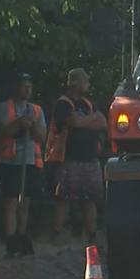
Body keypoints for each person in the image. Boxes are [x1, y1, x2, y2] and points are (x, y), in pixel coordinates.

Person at [0, 73, 46, 258]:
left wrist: (31, 126)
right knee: (11, 202)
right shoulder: (5, 108)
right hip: (10, 162)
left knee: (25, 203)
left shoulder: (37, 110)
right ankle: (10, 241)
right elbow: (1, 133)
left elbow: (42, 137)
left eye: (29, 87)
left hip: (31, 162)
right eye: (24, 86)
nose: (27, 90)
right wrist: (19, 123)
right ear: (16, 88)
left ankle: (22, 238)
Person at [52, 68, 107, 245]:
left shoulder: (87, 103)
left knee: (90, 198)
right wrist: (91, 120)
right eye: (85, 80)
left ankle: (92, 236)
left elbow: (103, 122)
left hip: (91, 158)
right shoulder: (63, 103)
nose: (88, 83)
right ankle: (57, 234)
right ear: (74, 82)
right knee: (64, 198)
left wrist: (84, 121)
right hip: (70, 158)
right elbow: (73, 122)